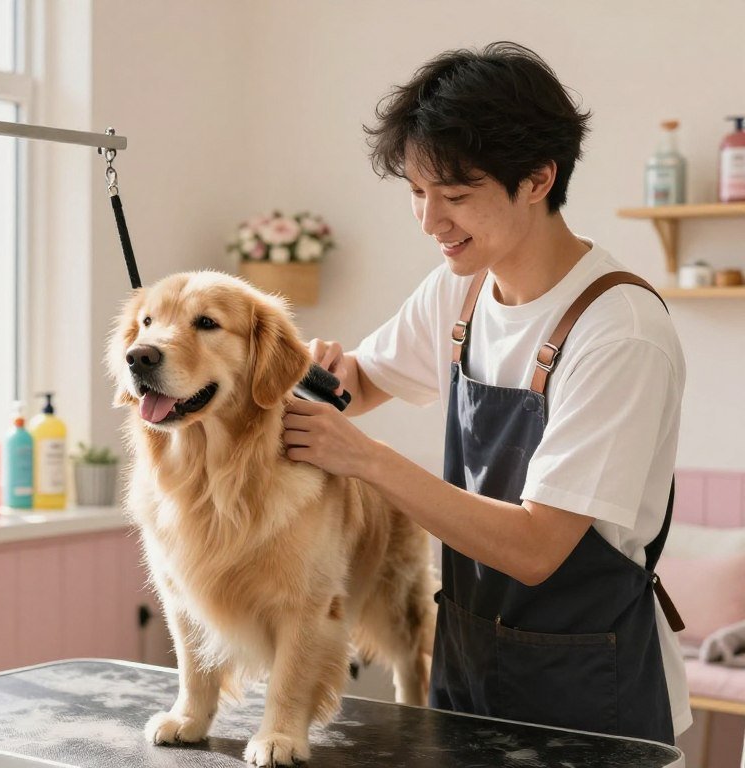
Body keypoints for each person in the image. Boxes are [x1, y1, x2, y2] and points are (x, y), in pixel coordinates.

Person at [282, 41, 690, 743]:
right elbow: (362, 380)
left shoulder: (619, 332)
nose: (431, 222)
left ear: (537, 179)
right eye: (417, 192)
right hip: (468, 668)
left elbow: (537, 548)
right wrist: (321, 374)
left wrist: (366, 459)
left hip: (591, 697)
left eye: (457, 196)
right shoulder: (464, 286)